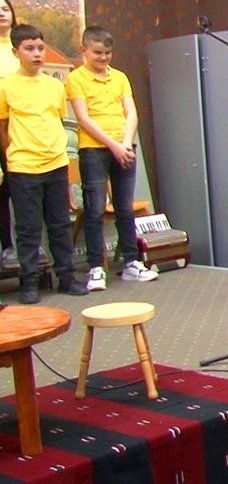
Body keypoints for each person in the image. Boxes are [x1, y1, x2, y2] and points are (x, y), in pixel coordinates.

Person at [0, 23, 88, 304]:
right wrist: (13, 154)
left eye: (40, 48)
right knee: (28, 228)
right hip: (23, 166)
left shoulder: (54, 86)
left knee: (60, 224)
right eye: (30, 48)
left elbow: (57, 120)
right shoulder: (5, 87)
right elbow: (3, 128)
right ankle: (29, 282)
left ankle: (66, 277)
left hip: (55, 163)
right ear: (16, 52)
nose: (37, 53)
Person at [67, 25, 158, 291]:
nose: (103, 57)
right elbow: (83, 119)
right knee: (95, 209)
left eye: (107, 53)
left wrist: (126, 144)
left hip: (124, 147)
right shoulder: (76, 78)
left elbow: (132, 113)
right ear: (83, 50)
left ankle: (131, 263)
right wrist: (114, 146)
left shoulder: (120, 77)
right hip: (94, 150)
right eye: (97, 52)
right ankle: (96, 268)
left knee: (124, 208)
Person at [0, 0, 18, 269]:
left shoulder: (22, 46)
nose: (0, 13)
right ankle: (7, 246)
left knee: (19, 186)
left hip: (20, 125)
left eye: (4, 8)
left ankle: (26, 246)